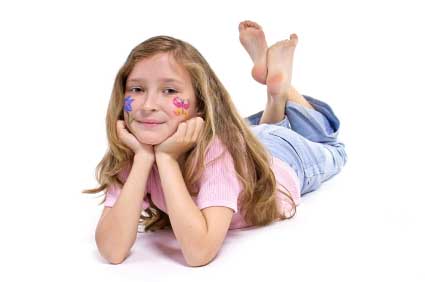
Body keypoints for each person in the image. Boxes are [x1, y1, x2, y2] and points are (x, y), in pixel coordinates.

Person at [82, 20, 347, 267]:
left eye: (170, 91)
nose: (148, 105)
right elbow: (112, 251)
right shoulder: (135, 149)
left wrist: (167, 159)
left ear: (200, 104)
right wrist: (142, 160)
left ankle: (283, 91)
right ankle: (275, 97)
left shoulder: (218, 151)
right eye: (137, 89)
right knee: (260, 131)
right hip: (250, 141)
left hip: (285, 159)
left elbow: (199, 252)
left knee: (332, 146)